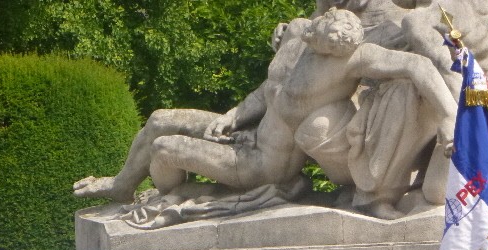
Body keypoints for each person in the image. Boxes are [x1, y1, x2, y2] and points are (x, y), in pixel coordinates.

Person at [73, 8, 457, 219]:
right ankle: (122, 186)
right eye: (326, 39)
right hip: (248, 130)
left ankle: (175, 192)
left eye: (336, 45)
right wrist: (235, 114)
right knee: (160, 117)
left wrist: (449, 117)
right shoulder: (299, 34)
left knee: (164, 148)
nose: (329, 47)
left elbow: (419, 68)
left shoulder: (355, 57)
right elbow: (270, 90)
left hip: (260, 163)